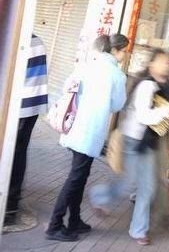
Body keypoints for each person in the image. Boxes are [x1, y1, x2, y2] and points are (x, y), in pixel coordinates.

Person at [89, 49, 169, 246]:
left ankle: (139, 229)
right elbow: (144, 116)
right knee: (129, 184)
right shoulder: (147, 85)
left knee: (146, 187)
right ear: (152, 65)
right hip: (134, 141)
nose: (167, 65)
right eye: (163, 62)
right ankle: (98, 196)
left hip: (147, 143)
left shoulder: (160, 86)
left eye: (168, 63)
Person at [45, 33, 128, 242]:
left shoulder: (86, 65)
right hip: (90, 132)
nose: (125, 55)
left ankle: (75, 220)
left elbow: (67, 87)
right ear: (114, 51)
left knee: (80, 177)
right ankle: (54, 226)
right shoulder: (116, 75)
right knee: (75, 178)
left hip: (74, 127)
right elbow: (117, 105)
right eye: (124, 50)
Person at [4, 34, 48, 227]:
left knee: (14, 154)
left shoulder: (19, 39)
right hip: (30, 105)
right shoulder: (34, 40)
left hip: (20, 106)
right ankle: (11, 205)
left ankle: (9, 207)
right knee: (18, 153)